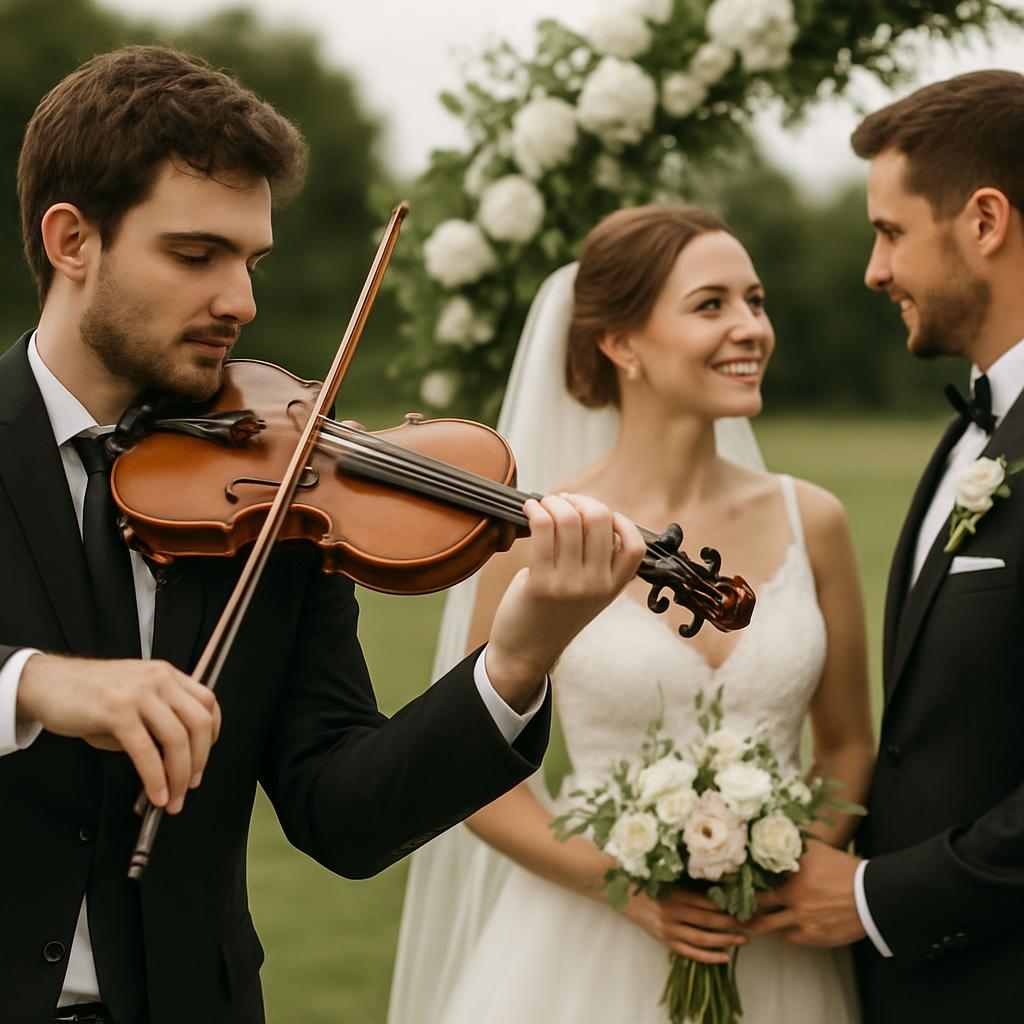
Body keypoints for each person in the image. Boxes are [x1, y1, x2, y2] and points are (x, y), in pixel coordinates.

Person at [0, 46, 647, 1024]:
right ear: (71, 239)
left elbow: (344, 812)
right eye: (194, 255)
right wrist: (33, 681)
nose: (241, 301)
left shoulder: (277, 492)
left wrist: (517, 657)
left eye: (250, 259)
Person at [388, 205, 875, 1023]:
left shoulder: (814, 518)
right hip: (585, 942)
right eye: (711, 304)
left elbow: (850, 740)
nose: (751, 327)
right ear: (620, 343)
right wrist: (628, 890)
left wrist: (786, 863)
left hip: (779, 946)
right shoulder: (537, 534)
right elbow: (476, 784)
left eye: (755, 301)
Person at [745, 70, 1024, 1023]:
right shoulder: (968, 432)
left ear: (984, 222)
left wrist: (875, 896)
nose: (874, 270)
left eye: (891, 231)